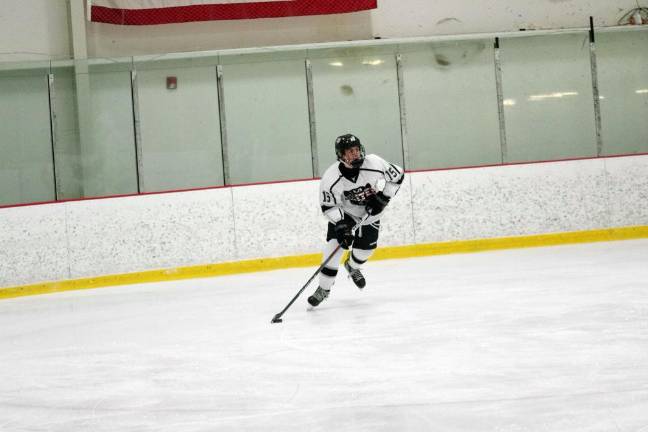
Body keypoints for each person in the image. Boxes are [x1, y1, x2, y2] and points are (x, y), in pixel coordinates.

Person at [308, 133, 405, 307]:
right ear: (341, 155)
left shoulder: (373, 162)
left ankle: (352, 266)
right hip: (345, 215)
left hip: (371, 214)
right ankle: (324, 289)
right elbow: (328, 206)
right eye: (350, 151)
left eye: (356, 149)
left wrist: (384, 197)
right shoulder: (331, 177)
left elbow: (397, 175)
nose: (355, 154)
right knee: (332, 251)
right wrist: (341, 225)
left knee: (364, 252)